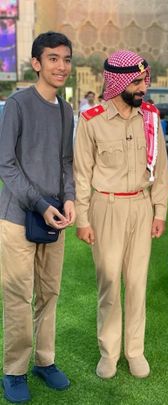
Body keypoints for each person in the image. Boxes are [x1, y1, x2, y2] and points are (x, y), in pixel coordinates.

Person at [74, 50, 168, 379]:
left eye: (145, 80)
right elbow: (82, 174)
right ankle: (109, 352)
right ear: (120, 82)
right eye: (139, 81)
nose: (145, 86)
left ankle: (135, 352)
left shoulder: (151, 118)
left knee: (137, 283)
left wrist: (159, 211)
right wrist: (83, 219)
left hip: (141, 207)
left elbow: (160, 170)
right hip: (106, 207)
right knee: (110, 284)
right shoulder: (92, 121)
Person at [0, 31, 75, 403]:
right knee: (18, 295)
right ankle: (14, 370)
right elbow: (7, 165)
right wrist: (40, 203)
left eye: (66, 59)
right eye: (53, 59)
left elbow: (65, 162)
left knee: (49, 292)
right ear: (36, 63)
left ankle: (45, 362)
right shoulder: (17, 105)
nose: (61, 66)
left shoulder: (66, 109)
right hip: (17, 217)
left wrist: (70, 198)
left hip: (54, 216)